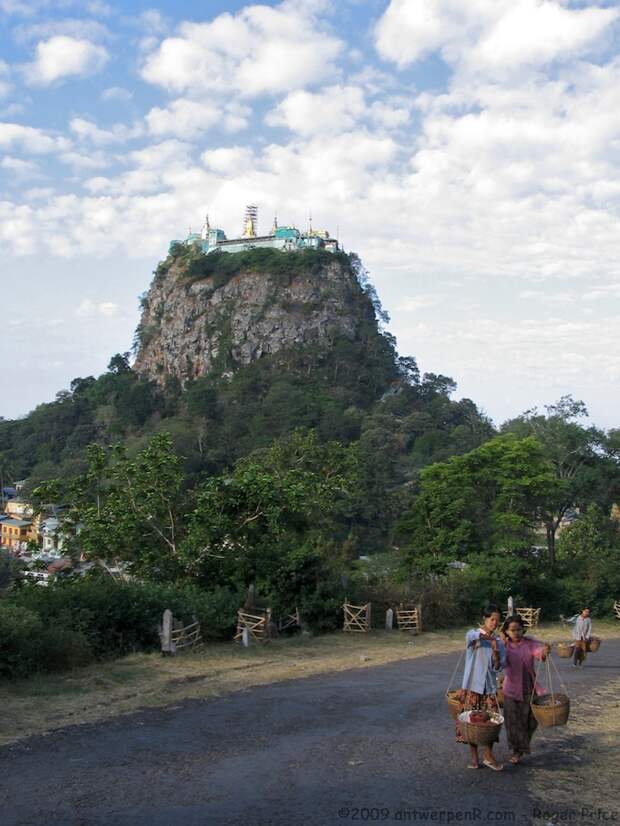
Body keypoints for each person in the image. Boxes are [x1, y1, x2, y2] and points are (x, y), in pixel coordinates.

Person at [455, 604, 506, 771]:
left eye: (497, 621)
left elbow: (499, 667)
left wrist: (497, 653)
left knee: (491, 723)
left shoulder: (499, 642)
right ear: (485, 619)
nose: (494, 623)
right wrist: (489, 639)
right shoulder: (474, 635)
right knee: (471, 723)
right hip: (471, 686)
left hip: (489, 687)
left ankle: (488, 756)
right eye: (492, 619)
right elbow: (472, 636)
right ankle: (474, 758)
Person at [499, 614, 550, 764]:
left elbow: (539, 653)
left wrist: (545, 650)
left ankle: (521, 747)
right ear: (506, 631)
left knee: (531, 721)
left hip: (529, 687)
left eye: (519, 629)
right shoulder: (504, 646)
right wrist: (499, 645)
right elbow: (498, 663)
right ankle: (517, 751)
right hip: (511, 689)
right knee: (513, 723)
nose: (516, 633)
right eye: (512, 630)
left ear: (523, 630)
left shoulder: (530, 643)